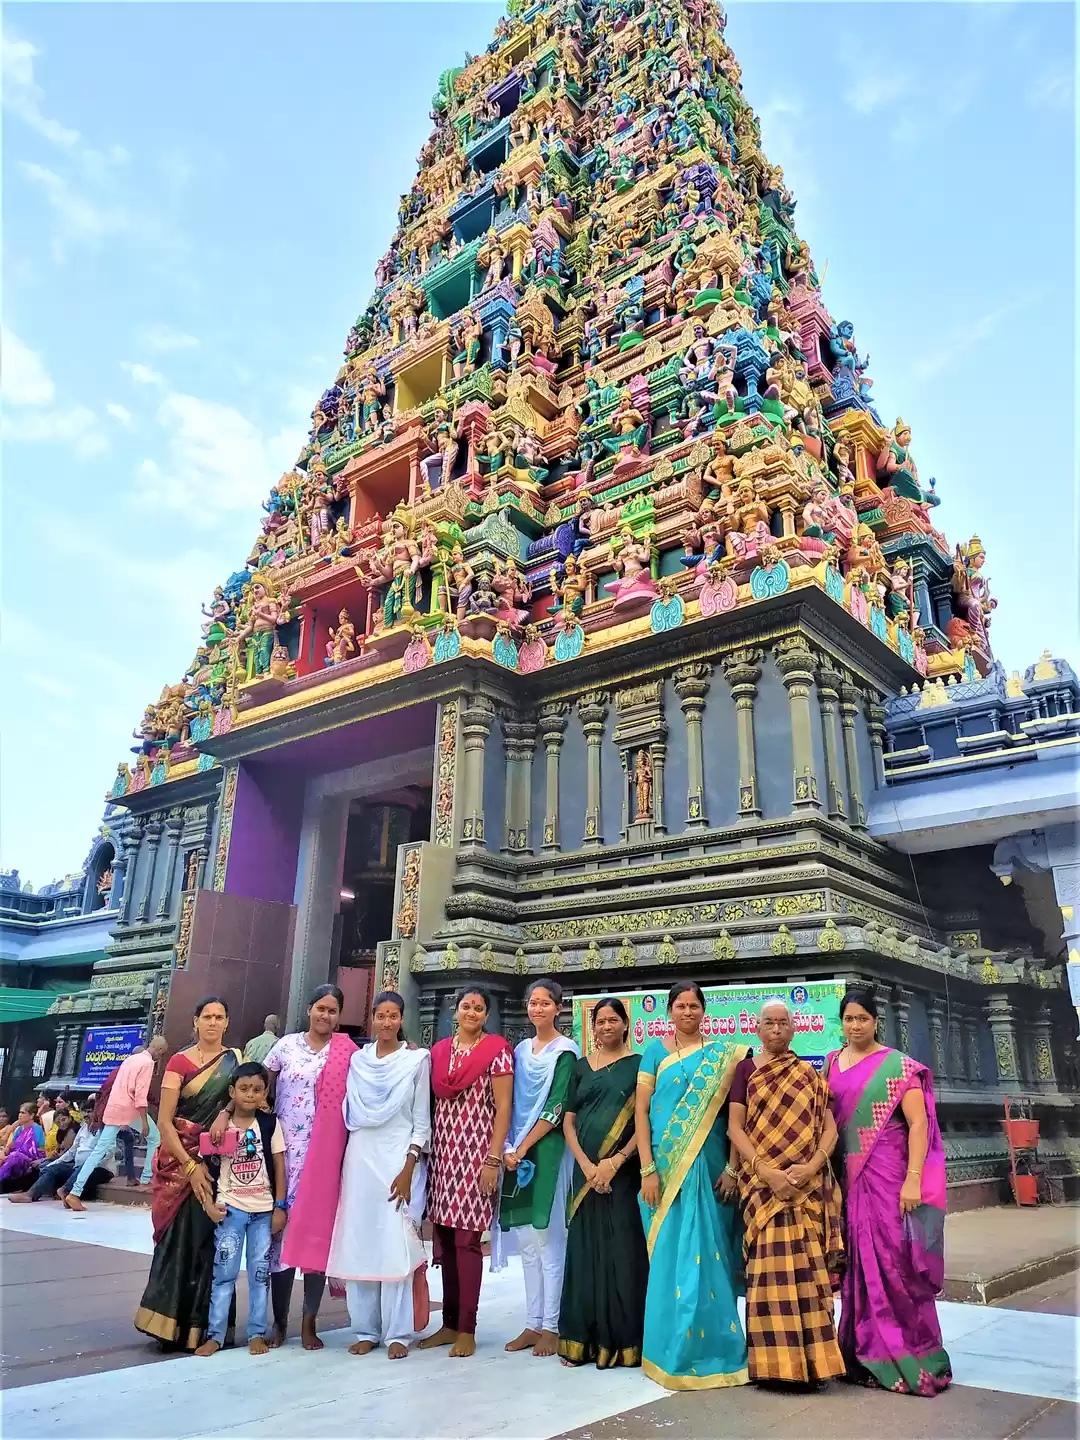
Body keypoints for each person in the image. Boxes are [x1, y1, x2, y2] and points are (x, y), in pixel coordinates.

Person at [827, 986, 952, 1396]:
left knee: (897, 1265)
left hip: (890, 1177)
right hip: (848, 1180)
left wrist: (913, 1178)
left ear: (876, 1021)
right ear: (841, 1021)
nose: (855, 1025)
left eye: (862, 1018)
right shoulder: (830, 1063)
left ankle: (913, 1353)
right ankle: (864, 1352)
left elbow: (919, 1124)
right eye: (848, 1018)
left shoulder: (899, 1068)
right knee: (859, 1266)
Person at [635, 979, 749, 1391]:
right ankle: (669, 1350)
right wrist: (648, 1169)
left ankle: (719, 1346)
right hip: (666, 1174)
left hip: (714, 1166)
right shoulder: (653, 1054)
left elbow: (736, 1119)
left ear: (704, 1011)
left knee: (712, 1257)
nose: (687, 1012)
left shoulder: (724, 1057)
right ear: (669, 1012)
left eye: (693, 1006)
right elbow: (642, 1114)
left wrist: (734, 1169)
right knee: (670, 1258)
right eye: (680, 1006)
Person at [726, 998, 844, 1388]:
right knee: (766, 1274)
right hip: (763, 1188)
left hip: (805, 1187)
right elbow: (735, 1129)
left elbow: (830, 1129)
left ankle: (815, 1364)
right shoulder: (745, 1069)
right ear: (757, 1030)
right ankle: (772, 1367)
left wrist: (810, 1167)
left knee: (809, 1271)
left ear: (794, 1030)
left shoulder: (808, 1076)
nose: (776, 1030)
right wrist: (765, 1171)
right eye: (769, 1024)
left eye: (783, 1023)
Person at [327, 991, 431, 1360]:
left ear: (401, 1019)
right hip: (360, 1158)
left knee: (394, 1243)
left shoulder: (417, 1060)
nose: (386, 1022)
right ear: (372, 1018)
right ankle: (365, 1329)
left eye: (393, 1016)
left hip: (396, 1159)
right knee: (361, 1241)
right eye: (380, 1015)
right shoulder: (358, 1060)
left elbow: (421, 1120)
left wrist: (409, 1166)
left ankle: (398, 1332)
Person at [134, 997, 241, 1350]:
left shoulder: (235, 1060)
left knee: (208, 1244)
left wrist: (225, 1112)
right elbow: (164, 1122)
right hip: (179, 1162)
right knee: (177, 1241)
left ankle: (204, 1329)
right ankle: (168, 1327)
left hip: (218, 1160)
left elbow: (242, 1101)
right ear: (195, 1022)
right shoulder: (178, 1062)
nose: (213, 1022)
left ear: (227, 1022)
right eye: (206, 1017)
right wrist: (190, 1165)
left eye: (219, 1017)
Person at [261, 984, 357, 1349]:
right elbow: (255, 1086)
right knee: (280, 1240)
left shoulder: (348, 1052)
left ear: (339, 1015)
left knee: (317, 1239)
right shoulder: (285, 1047)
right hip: (284, 1156)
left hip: (325, 1158)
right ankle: (279, 1322)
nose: (325, 1016)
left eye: (333, 1011)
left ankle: (308, 1323)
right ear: (309, 1010)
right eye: (320, 1008)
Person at [420, 986, 513, 1359]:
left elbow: (503, 1107)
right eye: (466, 1007)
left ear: (486, 1016)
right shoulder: (440, 1052)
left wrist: (492, 1160)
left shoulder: (497, 1051)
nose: (472, 1013)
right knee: (444, 1238)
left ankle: (468, 1329)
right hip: (444, 1157)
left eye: (478, 1008)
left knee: (467, 1242)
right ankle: (448, 1324)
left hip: (477, 1158)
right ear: (455, 1011)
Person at [557, 996, 647, 1369]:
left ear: (626, 1024)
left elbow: (644, 1120)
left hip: (623, 1176)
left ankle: (625, 1342)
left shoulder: (639, 1066)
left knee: (623, 1255)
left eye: (613, 1020)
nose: (606, 1026)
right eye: (600, 1021)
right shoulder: (579, 1067)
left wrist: (615, 1162)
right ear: (592, 1027)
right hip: (585, 1178)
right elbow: (568, 1121)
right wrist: (588, 1166)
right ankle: (582, 1342)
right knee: (584, 1255)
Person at [498, 978, 579, 1358]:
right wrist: (509, 1147)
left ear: (558, 1009)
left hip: (547, 1150)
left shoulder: (566, 1052)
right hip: (517, 1148)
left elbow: (557, 1105)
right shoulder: (520, 1050)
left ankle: (552, 1325)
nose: (538, 1009)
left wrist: (524, 1145)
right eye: (533, 1003)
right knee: (526, 1243)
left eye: (546, 1003)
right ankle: (532, 1323)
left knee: (548, 1237)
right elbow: (510, 1101)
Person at [195, 1062, 287, 1357]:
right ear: (232, 1091)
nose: (250, 1095)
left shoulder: (270, 1125)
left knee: (260, 1274)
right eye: (244, 1089)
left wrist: (280, 1207)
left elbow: (280, 1167)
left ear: (265, 1093)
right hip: (230, 1210)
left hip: (263, 1211)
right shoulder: (220, 1128)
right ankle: (215, 1335)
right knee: (224, 1274)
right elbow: (205, 1167)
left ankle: (256, 1333)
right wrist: (209, 1204)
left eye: (257, 1089)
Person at [64, 1037, 167, 1211]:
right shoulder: (148, 1063)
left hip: (113, 1108)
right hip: (129, 1109)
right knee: (154, 1137)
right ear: (159, 1051)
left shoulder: (130, 1059)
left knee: (98, 1152)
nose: (160, 1057)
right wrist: (144, 1121)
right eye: (161, 1054)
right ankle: (145, 1179)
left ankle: (75, 1191)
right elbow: (140, 1094)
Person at [10, 1117, 115, 1203]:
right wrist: (55, 1162)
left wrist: (89, 1165)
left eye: (90, 1112)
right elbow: (72, 1151)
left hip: (99, 1169)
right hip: (76, 1166)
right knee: (51, 1168)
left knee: (83, 1168)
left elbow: (109, 1153)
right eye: (85, 1112)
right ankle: (31, 1194)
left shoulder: (106, 1129)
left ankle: (65, 1191)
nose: (87, 1116)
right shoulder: (84, 1128)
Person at [0, 1103, 46, 1192]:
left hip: (29, 1161)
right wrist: (3, 1153)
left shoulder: (37, 1129)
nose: (20, 1115)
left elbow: (41, 1150)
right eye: (19, 1112)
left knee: (15, 1156)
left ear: (32, 1115)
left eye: (23, 1113)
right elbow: (9, 1146)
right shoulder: (18, 1129)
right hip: (13, 1159)